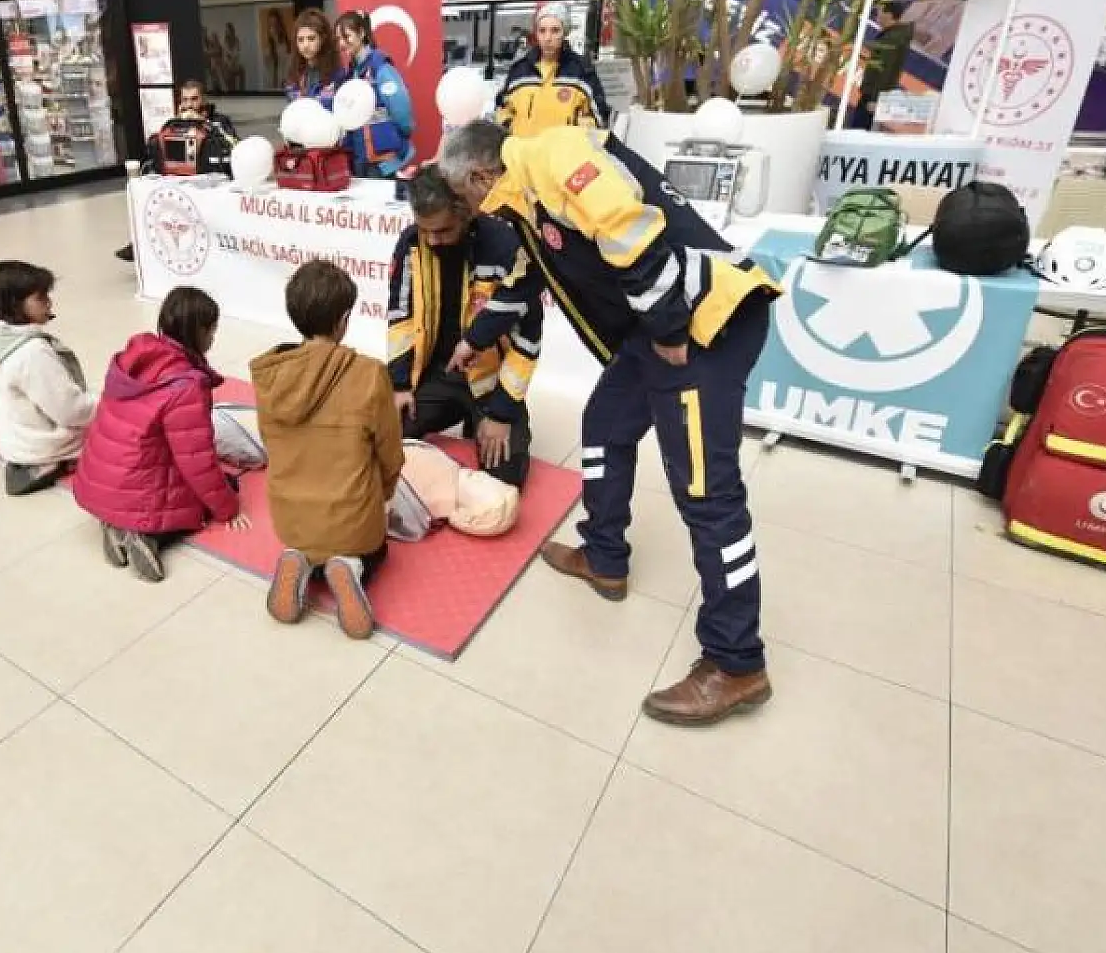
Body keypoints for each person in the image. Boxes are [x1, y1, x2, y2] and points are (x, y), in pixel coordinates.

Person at [438, 120, 780, 726]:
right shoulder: (521, 199)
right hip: (661, 334)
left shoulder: (554, 156)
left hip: (702, 328)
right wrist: (473, 339)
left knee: (708, 495)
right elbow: (526, 280)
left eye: (463, 197)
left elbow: (630, 228)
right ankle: (605, 554)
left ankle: (736, 663)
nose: (468, 210)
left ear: (480, 176)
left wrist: (671, 331)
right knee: (604, 426)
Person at [250, 260, 405, 640]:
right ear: (344, 318)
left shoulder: (270, 376)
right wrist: (383, 494)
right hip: (353, 517)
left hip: (291, 517)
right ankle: (350, 566)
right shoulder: (369, 374)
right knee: (377, 549)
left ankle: (301, 559)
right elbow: (390, 453)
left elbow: (270, 444)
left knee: (313, 536)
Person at [73, 287, 248, 583]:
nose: (213, 340)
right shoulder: (186, 386)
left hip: (98, 481)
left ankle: (115, 522)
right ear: (198, 332)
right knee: (210, 497)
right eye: (211, 331)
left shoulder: (134, 358)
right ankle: (147, 536)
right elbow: (197, 462)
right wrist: (227, 509)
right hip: (136, 488)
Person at [387, 167, 539, 489]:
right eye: (423, 229)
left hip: (492, 383)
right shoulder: (412, 243)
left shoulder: (503, 244)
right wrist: (399, 384)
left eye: (441, 231)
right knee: (381, 439)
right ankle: (462, 413)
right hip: (438, 375)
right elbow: (399, 317)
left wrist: (501, 412)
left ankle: (483, 417)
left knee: (505, 479)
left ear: (466, 212)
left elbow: (529, 337)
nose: (431, 240)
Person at [0, 260, 97, 497]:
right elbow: (72, 412)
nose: (49, 303)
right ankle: (53, 461)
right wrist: (112, 402)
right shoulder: (31, 353)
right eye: (40, 298)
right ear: (15, 305)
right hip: (42, 446)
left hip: (13, 440)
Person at [116, 80, 238, 262]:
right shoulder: (173, 123)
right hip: (176, 177)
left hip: (209, 180)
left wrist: (204, 124)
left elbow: (235, 145)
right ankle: (141, 241)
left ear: (203, 99)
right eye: (185, 100)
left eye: (194, 99)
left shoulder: (219, 121)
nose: (189, 104)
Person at [495, 1, 609, 137]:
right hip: (525, 153)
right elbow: (501, 108)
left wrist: (577, 135)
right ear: (536, 34)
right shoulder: (519, 70)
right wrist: (512, 128)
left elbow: (599, 115)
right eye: (542, 30)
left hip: (563, 155)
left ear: (565, 32)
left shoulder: (581, 71)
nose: (548, 38)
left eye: (555, 30)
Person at [333, 10, 415, 179]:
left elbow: (402, 111)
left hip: (384, 162)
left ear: (362, 33)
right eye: (338, 39)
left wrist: (400, 138)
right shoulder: (349, 74)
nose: (341, 43)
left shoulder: (381, 69)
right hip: (359, 159)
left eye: (346, 36)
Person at [851, 0, 913, 129]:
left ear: (889, 15)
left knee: (860, 129)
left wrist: (874, 98)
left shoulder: (892, 38)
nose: (877, 16)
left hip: (874, 96)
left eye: (879, 12)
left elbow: (884, 69)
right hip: (876, 94)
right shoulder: (894, 35)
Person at [285, 8, 340, 110]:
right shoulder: (294, 73)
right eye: (300, 40)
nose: (305, 45)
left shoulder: (337, 73)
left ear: (323, 38)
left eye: (311, 38)